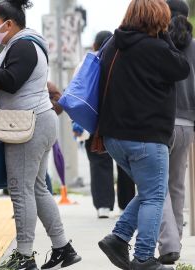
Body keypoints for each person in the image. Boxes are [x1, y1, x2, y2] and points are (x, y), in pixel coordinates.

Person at [0, 0, 81, 269]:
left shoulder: (23, 45)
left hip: (27, 126)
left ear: (9, 24)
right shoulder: (26, 43)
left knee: (21, 191)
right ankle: (63, 248)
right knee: (37, 188)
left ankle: (23, 255)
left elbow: (11, 81)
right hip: (37, 122)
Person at [96, 0, 190, 269]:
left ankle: (118, 238)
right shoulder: (156, 47)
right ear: (158, 19)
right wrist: (165, 37)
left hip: (114, 137)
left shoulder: (113, 45)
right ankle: (144, 257)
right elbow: (181, 68)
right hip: (146, 137)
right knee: (154, 195)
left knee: (150, 191)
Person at [73, 31, 136, 219]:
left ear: (94, 45)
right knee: (125, 163)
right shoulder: (124, 60)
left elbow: (77, 93)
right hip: (122, 120)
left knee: (99, 162)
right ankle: (126, 205)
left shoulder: (86, 63)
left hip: (94, 119)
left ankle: (103, 206)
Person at [158, 0, 195, 265]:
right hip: (187, 125)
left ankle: (169, 243)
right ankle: (177, 239)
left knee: (156, 186)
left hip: (159, 125)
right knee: (177, 185)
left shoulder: (157, 44)